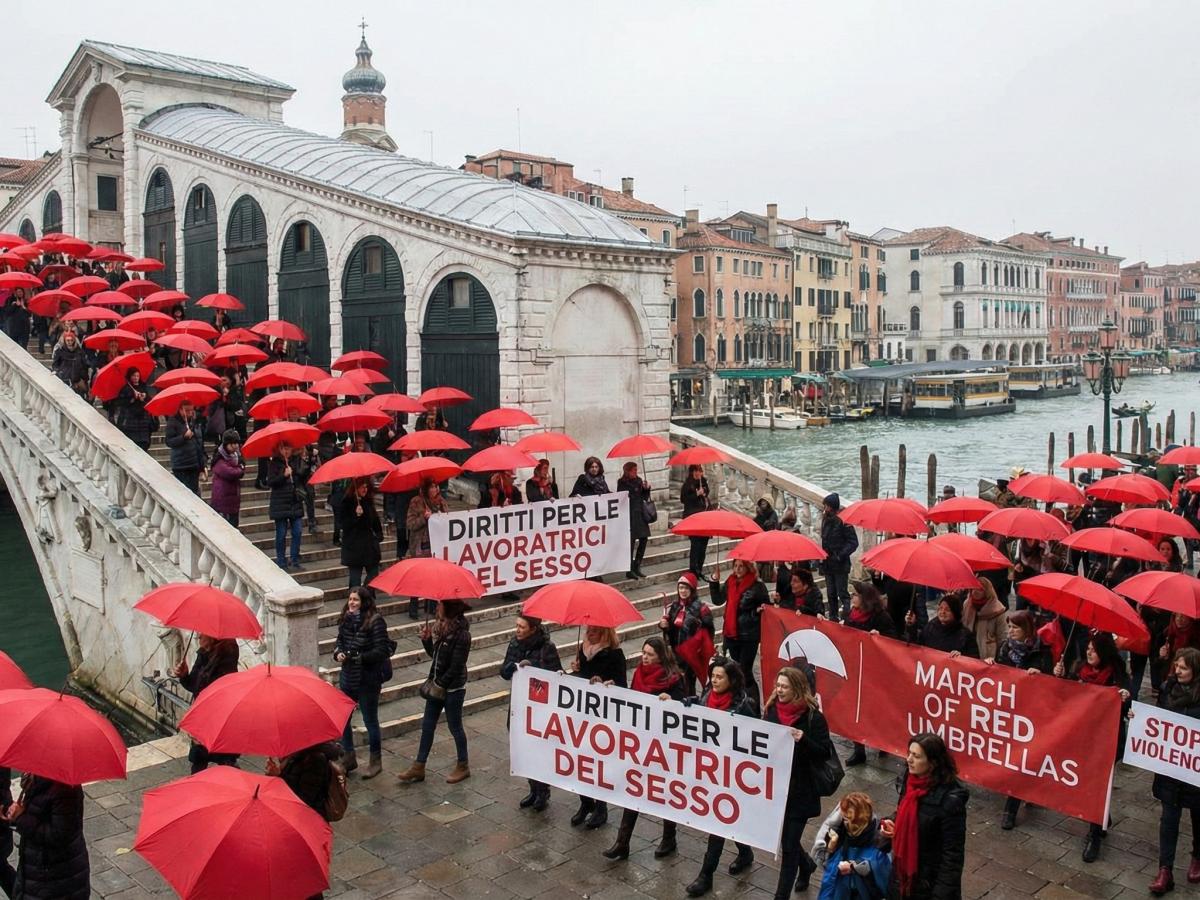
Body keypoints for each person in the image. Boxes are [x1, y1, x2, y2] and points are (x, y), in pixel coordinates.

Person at [1053, 633, 1130, 862]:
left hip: (1108, 739)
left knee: (1098, 786)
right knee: (1087, 781)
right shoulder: (1078, 668)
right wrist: (1058, 676)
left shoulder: (1117, 675)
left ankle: (1094, 835)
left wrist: (1125, 698)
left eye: (1094, 650)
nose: (1089, 653)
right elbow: (1062, 696)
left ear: (1104, 652)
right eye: (1087, 648)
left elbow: (1127, 709)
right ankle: (1103, 815)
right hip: (1083, 736)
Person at [608, 639, 687, 863]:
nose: (644, 657)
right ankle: (622, 842)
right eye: (643, 653)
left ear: (660, 656)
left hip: (663, 746)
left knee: (664, 793)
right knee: (634, 789)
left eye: (650, 654)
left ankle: (669, 837)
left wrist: (672, 701)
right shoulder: (639, 674)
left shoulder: (674, 679)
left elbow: (684, 709)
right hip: (641, 742)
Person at [760, 666, 833, 900]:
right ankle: (807, 865)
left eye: (784, 687)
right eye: (777, 686)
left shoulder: (813, 717)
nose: (779, 690)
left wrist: (803, 740)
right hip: (777, 787)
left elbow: (823, 752)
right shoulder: (771, 710)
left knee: (789, 845)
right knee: (787, 840)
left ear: (797, 689)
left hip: (801, 790)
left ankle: (781, 896)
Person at [986, 610, 1053, 830]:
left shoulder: (1041, 651)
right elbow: (999, 672)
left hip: (1033, 714)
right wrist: (990, 664)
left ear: (1027, 630)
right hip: (1011, 711)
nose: (1011, 631)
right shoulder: (1006, 647)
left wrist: (1044, 675)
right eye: (1010, 627)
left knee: (1025, 757)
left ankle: (1011, 808)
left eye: (1015, 627)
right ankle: (1019, 797)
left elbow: (1053, 684)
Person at [881, 733, 968, 899]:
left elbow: (952, 856)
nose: (909, 759)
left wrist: (940, 895)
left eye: (916, 756)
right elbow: (902, 812)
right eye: (909, 753)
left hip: (928, 884)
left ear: (933, 763)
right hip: (902, 877)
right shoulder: (910, 779)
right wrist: (894, 823)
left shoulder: (951, 800)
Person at [397, 600, 472, 786]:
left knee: (455, 726)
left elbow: (456, 665)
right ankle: (419, 765)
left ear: (449, 607)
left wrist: (440, 684)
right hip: (437, 684)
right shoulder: (442, 629)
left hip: (453, 688)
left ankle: (463, 764)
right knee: (427, 725)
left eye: (439, 605)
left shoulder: (462, 635)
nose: (436, 608)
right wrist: (427, 640)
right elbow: (436, 655)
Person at [1148, 647, 1200, 895]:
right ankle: (1164, 870)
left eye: (1183, 668)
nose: (1177, 671)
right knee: (1169, 819)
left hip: (1195, 771)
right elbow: (1157, 718)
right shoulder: (1169, 688)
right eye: (1176, 666)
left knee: (1198, 817)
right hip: (1171, 768)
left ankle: (1197, 857)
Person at [500, 615, 563, 814]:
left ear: (533, 628)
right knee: (522, 744)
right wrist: (513, 666)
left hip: (539, 706)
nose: (517, 630)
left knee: (538, 746)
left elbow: (555, 674)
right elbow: (504, 671)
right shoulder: (514, 644)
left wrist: (533, 667)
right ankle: (533, 788)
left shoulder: (547, 647)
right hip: (520, 702)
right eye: (516, 626)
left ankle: (543, 790)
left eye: (521, 626)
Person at [568, 626, 626, 830]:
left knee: (598, 763)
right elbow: (582, 676)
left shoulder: (615, 655)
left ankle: (601, 807)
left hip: (602, 716)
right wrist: (576, 670)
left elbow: (622, 685)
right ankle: (585, 803)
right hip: (582, 712)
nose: (589, 634)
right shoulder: (583, 650)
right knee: (579, 759)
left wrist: (604, 683)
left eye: (593, 632)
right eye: (588, 631)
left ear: (604, 634)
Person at [2, 773, 89, 900]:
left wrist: (21, 818)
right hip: (37, 871)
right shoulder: (36, 778)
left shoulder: (65, 790)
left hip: (55, 879)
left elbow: (58, 836)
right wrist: (16, 815)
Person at [333, 585, 389, 780]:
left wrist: (358, 657)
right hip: (348, 676)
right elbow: (339, 641)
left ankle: (375, 761)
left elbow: (382, 651)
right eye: (350, 599)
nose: (352, 603)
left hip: (367, 679)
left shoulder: (376, 621)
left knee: (370, 720)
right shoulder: (346, 619)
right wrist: (337, 652)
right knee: (343, 718)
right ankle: (348, 755)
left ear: (364, 602)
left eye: (356, 600)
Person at [843, 582, 895, 767]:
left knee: (875, 708)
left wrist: (880, 636)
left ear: (865, 598)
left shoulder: (881, 617)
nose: (852, 599)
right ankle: (859, 750)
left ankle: (883, 741)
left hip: (875, 671)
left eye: (855, 595)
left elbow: (894, 639)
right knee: (855, 708)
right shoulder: (850, 615)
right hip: (855, 667)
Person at [172, 634, 240, 772]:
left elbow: (210, 688)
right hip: (203, 715)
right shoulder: (204, 653)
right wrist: (184, 675)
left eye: (201, 632)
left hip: (219, 719)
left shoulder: (227, 655)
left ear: (214, 636)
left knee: (224, 761)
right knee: (198, 760)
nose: (197, 635)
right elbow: (193, 686)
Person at [707, 558, 769, 702]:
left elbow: (766, 608)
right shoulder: (730, 582)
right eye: (735, 566)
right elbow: (717, 600)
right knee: (733, 671)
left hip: (748, 636)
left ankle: (753, 702)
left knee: (745, 671)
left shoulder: (757, 586)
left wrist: (756, 612)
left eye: (741, 566)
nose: (738, 569)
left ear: (748, 567)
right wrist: (714, 582)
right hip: (731, 633)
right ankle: (737, 700)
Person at [811, 792, 892, 900]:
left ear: (855, 823)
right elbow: (827, 870)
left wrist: (854, 868)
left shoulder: (877, 848)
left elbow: (882, 880)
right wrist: (831, 849)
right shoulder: (842, 835)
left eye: (845, 818)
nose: (842, 820)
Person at [660, 571, 715, 696]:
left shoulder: (702, 609)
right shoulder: (674, 606)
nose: (683, 591)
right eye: (680, 587)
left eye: (686, 588)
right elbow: (670, 631)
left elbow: (709, 633)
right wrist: (664, 625)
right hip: (676, 652)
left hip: (692, 653)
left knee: (688, 683)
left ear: (692, 589)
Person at [405, 479, 448, 618]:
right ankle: (413, 607)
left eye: (437, 487)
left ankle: (431, 606)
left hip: (436, 544)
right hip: (420, 545)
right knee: (418, 577)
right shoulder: (416, 502)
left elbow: (448, 520)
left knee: (433, 576)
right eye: (433, 487)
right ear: (426, 489)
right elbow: (410, 524)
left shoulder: (441, 502)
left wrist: (440, 515)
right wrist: (424, 518)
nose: (436, 489)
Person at [268, 441, 309, 570]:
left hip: (294, 502)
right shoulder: (274, 463)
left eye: (289, 448)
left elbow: (303, 475)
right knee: (281, 533)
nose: (286, 451)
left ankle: (295, 559)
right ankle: (281, 560)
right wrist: (283, 475)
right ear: (280, 449)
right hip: (280, 503)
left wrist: (299, 469)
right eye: (284, 449)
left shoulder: (295, 461)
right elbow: (271, 482)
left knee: (297, 531)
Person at [820, 493, 858, 623]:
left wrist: (840, 555)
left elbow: (853, 542)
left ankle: (847, 618)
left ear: (832, 506)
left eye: (827, 505)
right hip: (827, 563)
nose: (824, 507)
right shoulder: (825, 519)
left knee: (842, 593)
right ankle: (833, 617)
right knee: (830, 593)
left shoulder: (844, 521)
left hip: (840, 563)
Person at [904, 594, 980, 658]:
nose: (942, 612)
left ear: (955, 613)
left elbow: (974, 660)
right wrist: (911, 625)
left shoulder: (966, 636)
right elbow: (916, 645)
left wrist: (962, 657)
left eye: (947, 610)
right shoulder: (930, 627)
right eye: (940, 608)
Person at [340, 478, 383, 588]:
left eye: (366, 487)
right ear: (356, 488)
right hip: (353, 547)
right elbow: (344, 524)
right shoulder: (347, 502)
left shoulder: (367, 501)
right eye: (362, 487)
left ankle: (364, 595)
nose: (365, 489)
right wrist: (356, 516)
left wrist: (378, 535)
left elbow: (375, 520)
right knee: (355, 579)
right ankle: (356, 597)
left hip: (368, 545)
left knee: (374, 574)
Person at [617, 461, 652, 579]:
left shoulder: (639, 480)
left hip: (640, 515)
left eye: (636, 470)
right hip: (630, 515)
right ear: (627, 471)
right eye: (633, 470)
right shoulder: (622, 482)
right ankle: (629, 568)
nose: (635, 472)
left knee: (644, 539)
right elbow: (621, 497)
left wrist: (646, 489)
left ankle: (637, 565)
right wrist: (636, 490)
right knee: (630, 543)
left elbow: (644, 497)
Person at [164, 400, 207, 495]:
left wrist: (202, 465)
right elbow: (169, 441)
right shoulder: (173, 422)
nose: (190, 413)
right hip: (181, 465)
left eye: (191, 410)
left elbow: (199, 444)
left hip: (193, 464)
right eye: (187, 410)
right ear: (180, 410)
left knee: (194, 493)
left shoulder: (193, 422)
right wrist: (183, 437)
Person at [961, 580, 1007, 662]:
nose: (975, 591)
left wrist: (999, 658)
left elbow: (1002, 637)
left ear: (987, 592)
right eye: (973, 588)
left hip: (988, 654)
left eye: (980, 589)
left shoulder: (997, 609)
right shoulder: (967, 604)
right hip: (968, 649)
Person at [209, 430, 245, 527]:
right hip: (223, 500)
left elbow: (241, 469)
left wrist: (240, 468)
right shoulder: (219, 458)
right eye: (233, 443)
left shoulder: (237, 456)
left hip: (233, 500)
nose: (236, 446)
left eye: (237, 443)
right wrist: (240, 469)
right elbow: (230, 473)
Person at [681, 464, 712, 575]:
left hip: (704, 517)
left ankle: (700, 568)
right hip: (693, 517)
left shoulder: (703, 482)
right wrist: (696, 494)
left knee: (704, 544)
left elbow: (707, 492)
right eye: (698, 471)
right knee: (696, 544)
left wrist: (704, 492)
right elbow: (683, 499)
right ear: (693, 472)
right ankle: (693, 569)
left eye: (701, 471)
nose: (700, 473)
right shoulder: (687, 484)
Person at [116, 368, 155, 450]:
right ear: (130, 376)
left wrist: (144, 397)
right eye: (134, 375)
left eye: (137, 376)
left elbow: (149, 400)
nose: (136, 378)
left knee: (145, 442)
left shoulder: (143, 386)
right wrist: (132, 399)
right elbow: (121, 402)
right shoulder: (126, 388)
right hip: (131, 420)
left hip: (143, 419)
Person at [51, 328, 89, 396]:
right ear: (65, 341)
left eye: (71, 340)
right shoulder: (60, 351)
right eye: (68, 340)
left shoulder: (79, 352)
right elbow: (55, 365)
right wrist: (59, 373)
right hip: (65, 379)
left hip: (77, 380)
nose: (69, 342)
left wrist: (83, 378)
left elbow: (84, 366)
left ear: (74, 340)